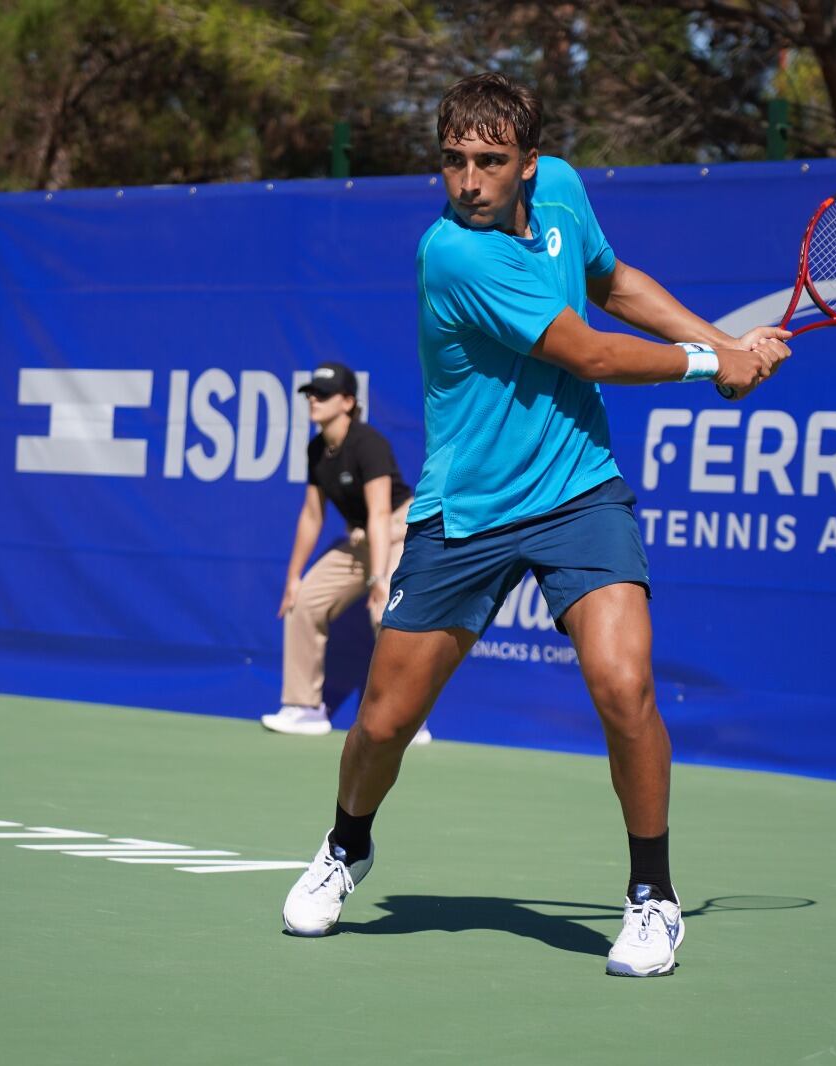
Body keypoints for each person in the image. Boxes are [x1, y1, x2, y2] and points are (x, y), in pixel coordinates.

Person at [279, 73, 791, 977]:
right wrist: (714, 363)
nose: (468, 181)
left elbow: (614, 281)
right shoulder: (453, 255)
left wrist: (726, 344)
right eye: (453, 161)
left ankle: (652, 900)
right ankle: (345, 845)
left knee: (623, 684)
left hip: (578, 491)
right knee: (383, 724)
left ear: (527, 163)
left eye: (489, 162)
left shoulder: (561, 189)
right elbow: (587, 349)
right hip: (466, 511)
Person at [261, 361, 431, 746]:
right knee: (304, 601)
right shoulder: (317, 450)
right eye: (310, 394)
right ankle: (304, 708)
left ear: (349, 402)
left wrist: (377, 578)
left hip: (399, 530)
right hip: (361, 538)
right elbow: (311, 515)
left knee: (385, 609)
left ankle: (406, 718)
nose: (313, 401)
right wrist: (293, 577)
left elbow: (381, 511)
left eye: (323, 394)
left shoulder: (368, 443)